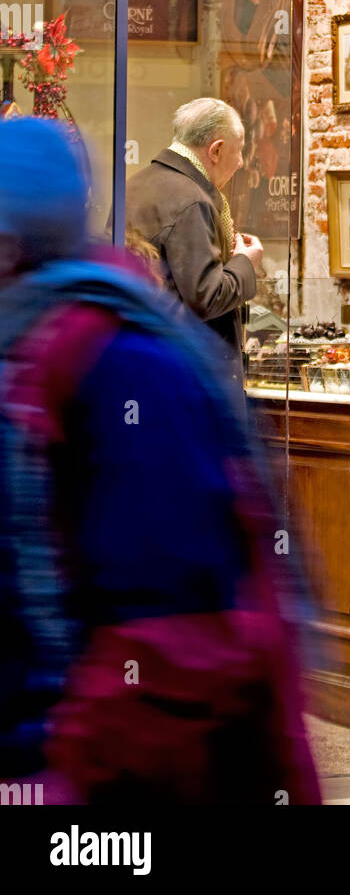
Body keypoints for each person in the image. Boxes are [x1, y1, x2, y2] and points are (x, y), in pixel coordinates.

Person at [0, 117, 320, 804]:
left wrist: (64, 774)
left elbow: (169, 635)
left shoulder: (115, 361)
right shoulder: (63, 338)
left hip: (122, 764)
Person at [126, 97, 262, 371]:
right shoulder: (193, 200)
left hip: (144, 355)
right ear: (216, 151)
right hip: (185, 365)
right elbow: (206, 297)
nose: (240, 163)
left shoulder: (135, 184)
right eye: (239, 151)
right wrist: (245, 261)